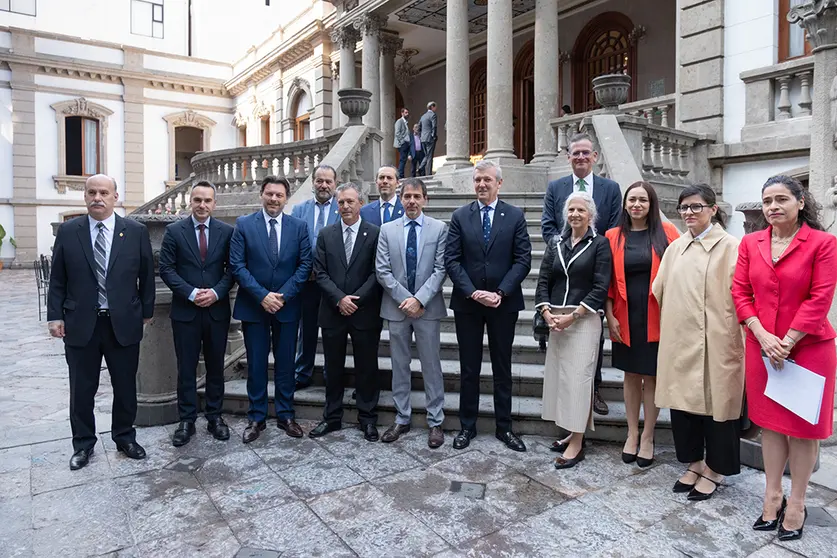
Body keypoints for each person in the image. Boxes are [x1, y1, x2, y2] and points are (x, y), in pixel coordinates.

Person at [732, 175, 837, 541]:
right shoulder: (750, 242)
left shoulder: (822, 243)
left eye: (781, 200)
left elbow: (820, 297)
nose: (773, 207)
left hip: (807, 348)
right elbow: (740, 292)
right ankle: (772, 493)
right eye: (767, 201)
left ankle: (797, 501)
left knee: (804, 429)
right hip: (762, 347)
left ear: (801, 202)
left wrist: (788, 340)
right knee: (771, 425)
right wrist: (762, 335)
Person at [47, 174, 155, 470]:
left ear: (115, 197)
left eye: (104, 192)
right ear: (84, 196)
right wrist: (55, 316)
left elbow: (146, 276)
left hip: (122, 323)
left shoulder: (134, 231)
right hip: (81, 324)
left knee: (125, 387)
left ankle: (124, 437)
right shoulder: (70, 231)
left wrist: (146, 312)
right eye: (92, 192)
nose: (98, 197)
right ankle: (83, 444)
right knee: (81, 389)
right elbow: (57, 278)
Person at [653, 184, 744, 501]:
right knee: (683, 406)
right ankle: (694, 462)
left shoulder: (730, 246)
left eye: (696, 207)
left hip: (716, 340)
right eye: (684, 208)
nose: (689, 213)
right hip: (679, 340)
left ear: (713, 209)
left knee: (717, 408)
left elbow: (741, 294)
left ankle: (715, 469)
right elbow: (659, 289)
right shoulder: (676, 247)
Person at [444, 160, 532, 452]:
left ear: (499, 183)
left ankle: (504, 428)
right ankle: (466, 426)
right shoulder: (459, 216)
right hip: (468, 305)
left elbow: (523, 260)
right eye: (478, 179)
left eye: (487, 180)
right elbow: (452, 260)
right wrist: (473, 293)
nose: (481, 184)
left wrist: (500, 292)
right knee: (469, 368)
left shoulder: (515, 216)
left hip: (502, 305)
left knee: (502, 367)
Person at [542, 132, 622, 416]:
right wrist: (563, 248)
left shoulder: (610, 188)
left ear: (595, 157)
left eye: (586, 153)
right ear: (568, 157)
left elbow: (614, 227)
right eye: (575, 153)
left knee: (592, 336)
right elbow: (548, 226)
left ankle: (594, 389)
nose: (580, 157)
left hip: (597, 267)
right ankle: (562, 394)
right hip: (565, 267)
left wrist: (593, 249)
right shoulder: (556, 187)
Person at [230, 176, 312, 443]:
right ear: (261, 195)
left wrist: (283, 296)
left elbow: (304, 266)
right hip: (254, 307)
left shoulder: (299, 227)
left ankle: (286, 414)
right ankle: (256, 417)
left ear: (286, 198)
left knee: (286, 364)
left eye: (279, 195)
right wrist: (263, 296)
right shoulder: (244, 224)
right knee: (256, 364)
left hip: (287, 308)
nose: (274, 199)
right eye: (269, 194)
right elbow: (237, 266)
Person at [605, 182, 680, 467]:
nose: (636, 204)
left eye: (643, 200)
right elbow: (607, 280)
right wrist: (609, 315)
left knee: (652, 377)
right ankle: (632, 434)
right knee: (630, 376)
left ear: (651, 205)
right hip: (624, 314)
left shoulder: (667, 233)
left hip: (656, 315)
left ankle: (648, 436)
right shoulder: (612, 236)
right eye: (632, 199)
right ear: (625, 204)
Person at [536, 192, 612, 469]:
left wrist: (574, 315)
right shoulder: (556, 243)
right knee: (562, 379)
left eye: (581, 210)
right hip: (556, 318)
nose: (575, 214)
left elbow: (600, 286)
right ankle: (570, 431)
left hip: (583, 319)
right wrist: (546, 312)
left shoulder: (600, 245)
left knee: (579, 380)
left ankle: (578, 443)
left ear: (590, 215)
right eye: (571, 210)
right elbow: (543, 279)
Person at [159, 180, 234, 447]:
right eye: (198, 200)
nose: (202, 205)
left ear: (215, 203)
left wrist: (215, 292)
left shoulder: (227, 232)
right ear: (191, 201)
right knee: (186, 368)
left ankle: (215, 417)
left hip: (216, 311)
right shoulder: (174, 231)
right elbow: (166, 269)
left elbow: (232, 269)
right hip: (186, 311)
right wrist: (191, 293)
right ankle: (187, 420)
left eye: (207, 201)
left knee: (215, 367)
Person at [376, 178, 448, 448]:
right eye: (407, 196)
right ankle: (402, 417)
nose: (412, 201)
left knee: (431, 365)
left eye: (417, 196)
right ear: (400, 198)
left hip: (427, 309)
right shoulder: (387, 229)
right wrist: (406, 300)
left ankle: (435, 421)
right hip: (396, 309)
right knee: (399, 365)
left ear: (425, 199)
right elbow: (382, 270)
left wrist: (419, 300)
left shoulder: (439, 229)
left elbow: (441, 270)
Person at [309, 183, 383, 442]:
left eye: (351, 201)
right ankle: (332, 417)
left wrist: (357, 299)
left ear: (361, 203)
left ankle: (368, 419)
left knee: (367, 367)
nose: (346, 206)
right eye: (341, 202)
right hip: (333, 311)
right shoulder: (325, 234)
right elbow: (320, 272)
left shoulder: (374, 233)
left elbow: (378, 272)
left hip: (365, 313)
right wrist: (340, 298)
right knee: (333, 368)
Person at [291, 164, 340, 390]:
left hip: (334, 283)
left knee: (332, 332)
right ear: (313, 183)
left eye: (328, 181)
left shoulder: (343, 208)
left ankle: (332, 374)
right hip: (308, 282)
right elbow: (294, 246)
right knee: (306, 329)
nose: (324, 185)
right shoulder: (299, 210)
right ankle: (302, 373)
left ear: (335, 184)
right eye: (319, 181)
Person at [419, 101, 438, 176]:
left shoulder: (423, 116)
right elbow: (434, 126)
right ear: (432, 107)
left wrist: (421, 136)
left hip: (423, 138)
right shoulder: (433, 115)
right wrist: (433, 136)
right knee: (430, 156)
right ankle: (429, 173)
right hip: (430, 137)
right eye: (435, 107)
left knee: (427, 155)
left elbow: (418, 127)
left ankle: (421, 167)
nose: (435, 108)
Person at [394, 108, 411, 179]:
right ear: (402, 113)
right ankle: (400, 175)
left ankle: (401, 174)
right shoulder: (399, 121)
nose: (407, 114)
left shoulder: (406, 122)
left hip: (406, 143)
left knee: (404, 160)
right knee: (402, 159)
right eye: (406, 112)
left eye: (407, 112)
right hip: (402, 143)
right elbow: (397, 132)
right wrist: (402, 141)